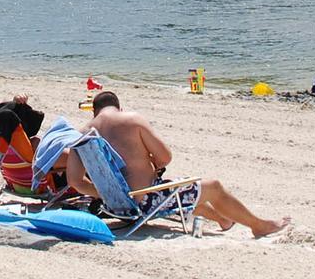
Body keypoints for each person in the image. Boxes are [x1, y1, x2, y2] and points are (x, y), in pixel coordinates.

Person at [67, 91, 288, 238]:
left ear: (94, 111)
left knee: (179, 189)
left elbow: (75, 181)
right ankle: (259, 226)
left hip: (116, 207)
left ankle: (223, 220)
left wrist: (109, 192)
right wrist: (151, 164)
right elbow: (165, 157)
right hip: (146, 202)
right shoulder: (132, 120)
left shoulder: (82, 133)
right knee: (213, 187)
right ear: (119, 107)